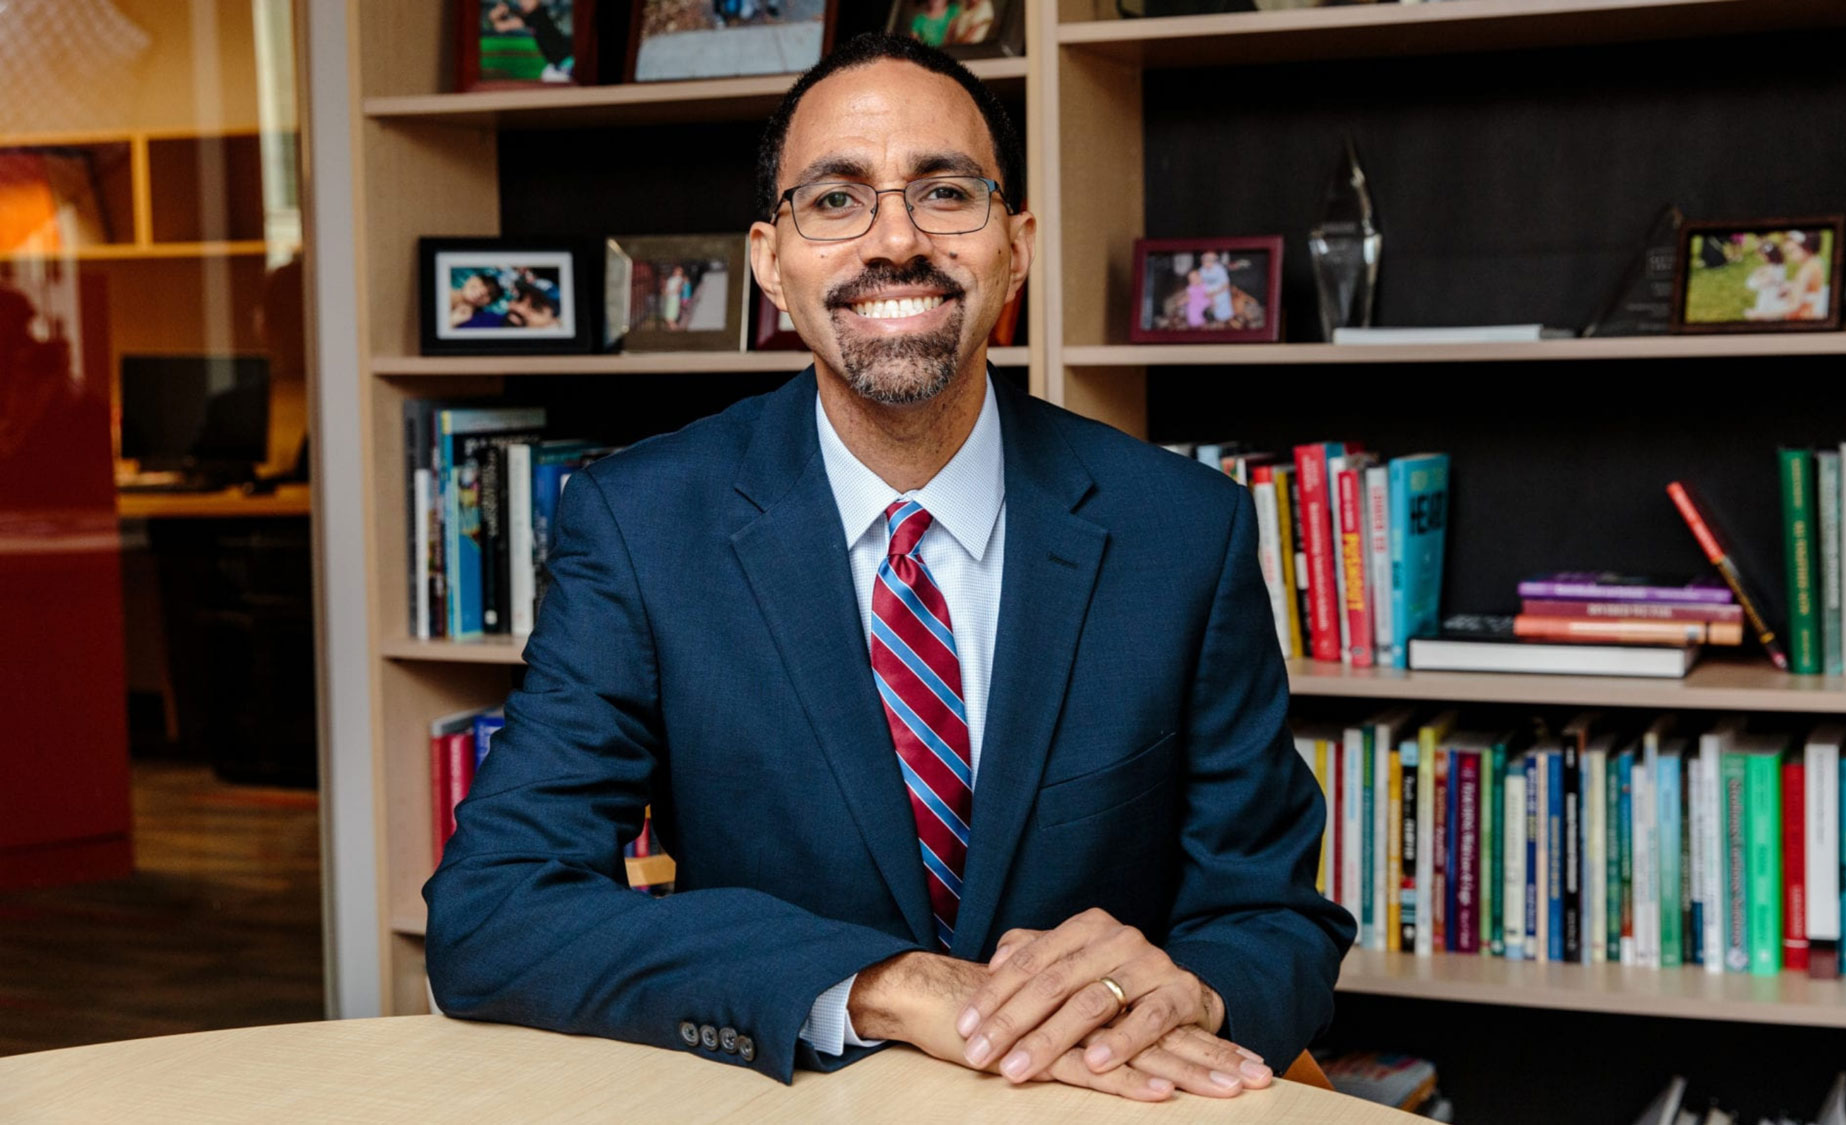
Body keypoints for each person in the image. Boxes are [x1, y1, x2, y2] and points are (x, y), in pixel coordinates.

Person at [423, 32, 1351, 1104]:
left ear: (1017, 246)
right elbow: (494, 909)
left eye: (946, 192)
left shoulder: (1183, 529)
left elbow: (1272, 915)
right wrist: (881, 985)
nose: (897, 239)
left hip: (1095, 1101)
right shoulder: (642, 524)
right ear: (770, 263)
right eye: (836, 200)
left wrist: (1192, 990)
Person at [487, 0, 574, 83]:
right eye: (521, 1)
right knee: (547, 76)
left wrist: (494, 16)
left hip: (567, 62)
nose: (524, 3)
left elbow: (501, 27)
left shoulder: (536, 15)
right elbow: (520, 16)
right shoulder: (536, 15)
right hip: (559, 63)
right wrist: (504, 12)